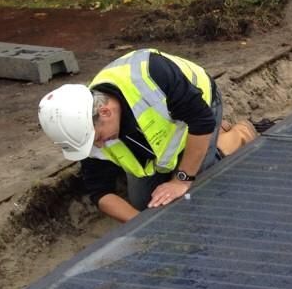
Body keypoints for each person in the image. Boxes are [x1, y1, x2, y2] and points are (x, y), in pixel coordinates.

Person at [37, 48, 257, 223]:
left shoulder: (153, 76)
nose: (100, 145)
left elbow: (201, 121)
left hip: (202, 110)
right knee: (146, 203)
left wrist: (182, 179)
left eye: (99, 138)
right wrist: (143, 225)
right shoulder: (84, 127)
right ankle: (194, 155)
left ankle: (235, 136)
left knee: (197, 190)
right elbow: (100, 192)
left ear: (105, 112)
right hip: (162, 141)